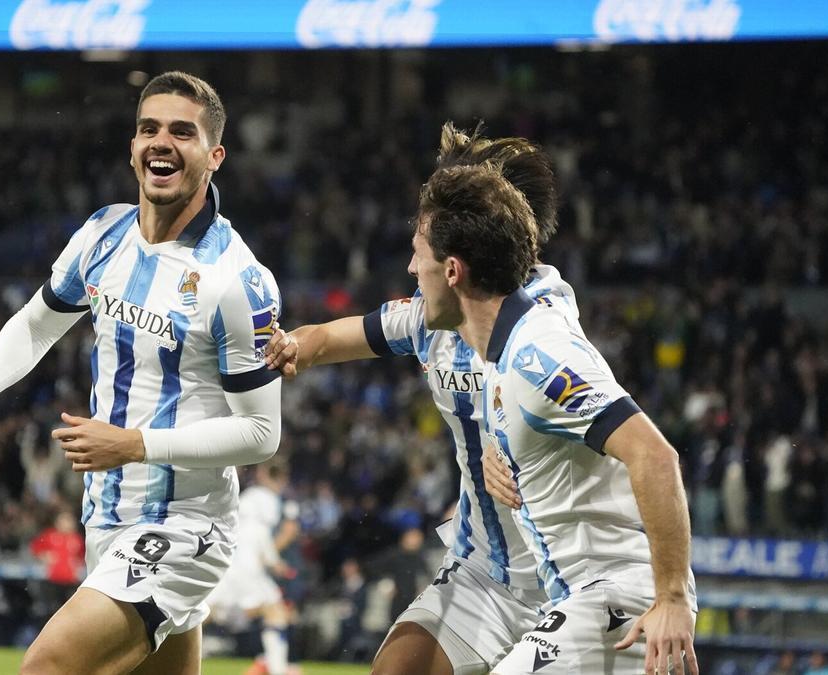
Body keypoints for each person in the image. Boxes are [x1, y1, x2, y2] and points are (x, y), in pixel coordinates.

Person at [0, 71, 283, 675]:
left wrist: (135, 445)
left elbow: (261, 434)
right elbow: (39, 322)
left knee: (46, 667)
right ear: (132, 146)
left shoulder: (236, 280)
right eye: (149, 128)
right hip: (107, 518)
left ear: (214, 156)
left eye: (182, 132)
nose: (161, 142)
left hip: (183, 525)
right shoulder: (103, 234)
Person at [264, 125, 566, 674]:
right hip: (482, 571)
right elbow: (333, 336)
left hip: (562, 575)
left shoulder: (548, 319)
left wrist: (522, 444)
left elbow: (616, 434)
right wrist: (289, 346)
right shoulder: (435, 315)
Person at [404, 158, 697, 674]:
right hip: (578, 599)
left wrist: (671, 597)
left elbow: (655, 454)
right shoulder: (501, 353)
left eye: (417, 256)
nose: (411, 270)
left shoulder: (539, 355)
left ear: (452, 271)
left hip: (619, 599)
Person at [207, 461, 298, 675]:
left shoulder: (247, 496)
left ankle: (159, 652)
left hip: (229, 561)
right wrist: (274, 561)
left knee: (203, 612)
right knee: (275, 610)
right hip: (246, 566)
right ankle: (277, 668)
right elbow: (259, 533)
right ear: (280, 479)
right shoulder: (266, 499)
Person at [29, 509, 86, 622]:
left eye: (70, 520)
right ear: (57, 522)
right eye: (64, 520)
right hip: (53, 580)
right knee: (52, 609)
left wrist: (78, 563)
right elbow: (34, 547)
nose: (68, 523)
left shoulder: (77, 539)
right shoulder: (50, 535)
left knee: (70, 609)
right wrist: (43, 556)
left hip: (71, 580)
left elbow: (83, 556)